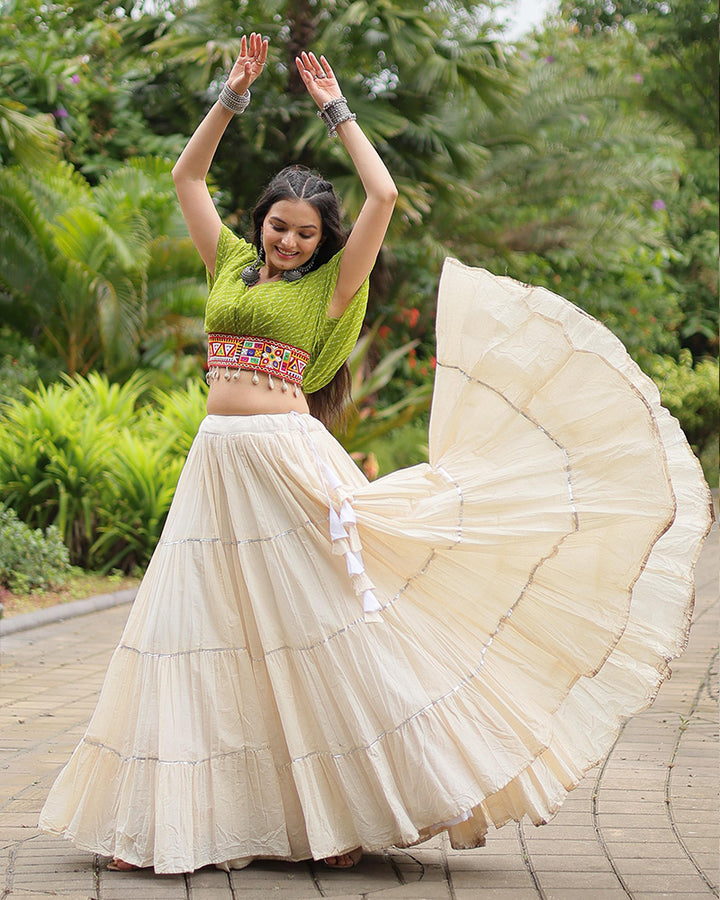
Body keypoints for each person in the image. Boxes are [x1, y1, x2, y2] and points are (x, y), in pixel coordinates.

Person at [39, 32, 713, 877]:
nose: (289, 242)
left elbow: (384, 194)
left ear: (323, 242)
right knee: (197, 628)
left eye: (305, 234)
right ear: (260, 226)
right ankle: (171, 820)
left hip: (286, 461)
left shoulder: (333, 284)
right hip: (219, 466)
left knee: (322, 627)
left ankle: (359, 807)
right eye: (279, 228)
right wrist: (232, 94)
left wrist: (337, 110)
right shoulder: (228, 264)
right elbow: (186, 176)